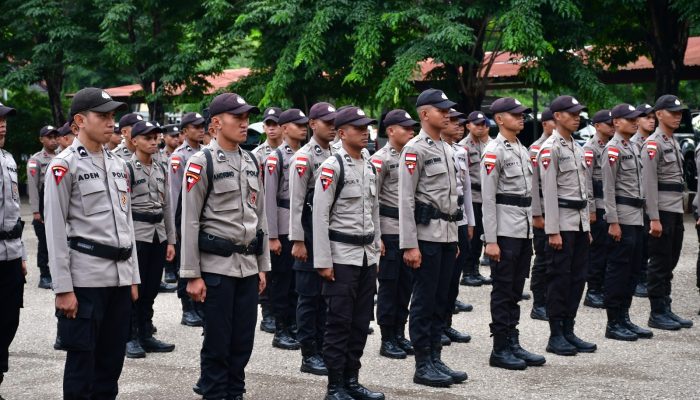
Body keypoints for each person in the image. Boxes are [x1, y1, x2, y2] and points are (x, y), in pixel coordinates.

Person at [45, 87, 139, 399]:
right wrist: (63, 288)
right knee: (82, 365)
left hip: (119, 280)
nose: (111, 122)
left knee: (111, 365)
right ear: (79, 122)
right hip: (85, 280)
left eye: (113, 115)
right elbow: (56, 231)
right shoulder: (64, 165)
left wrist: (133, 277)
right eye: (103, 116)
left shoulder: (118, 164)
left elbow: (127, 224)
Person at [180, 92, 269, 400]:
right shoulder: (201, 161)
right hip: (216, 267)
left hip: (247, 267)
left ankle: (235, 393)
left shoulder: (251, 160)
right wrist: (192, 274)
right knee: (218, 342)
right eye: (238, 118)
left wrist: (263, 265)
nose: (245, 124)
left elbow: (260, 218)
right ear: (216, 123)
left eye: (246, 118)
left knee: (242, 342)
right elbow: (190, 220)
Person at [313, 105, 384, 400]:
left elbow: (374, 209)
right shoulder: (332, 167)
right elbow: (320, 216)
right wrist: (323, 261)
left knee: (360, 322)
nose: (365, 131)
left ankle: (352, 380)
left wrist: (378, 246)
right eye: (358, 127)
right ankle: (335, 385)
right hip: (341, 257)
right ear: (342, 133)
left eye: (366, 126)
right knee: (339, 323)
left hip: (366, 255)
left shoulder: (368, 163)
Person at [399, 89, 466, 387]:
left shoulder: (448, 149)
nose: (448, 114)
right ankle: (422, 362)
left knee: (442, 299)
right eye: (442, 110)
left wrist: (454, 241)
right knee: (424, 301)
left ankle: (436, 358)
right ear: (425, 114)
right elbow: (406, 201)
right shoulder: (415, 150)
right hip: (425, 238)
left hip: (448, 235)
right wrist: (410, 245)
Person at [481, 97, 545, 370]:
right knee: (503, 288)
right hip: (505, 230)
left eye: (522, 114)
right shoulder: (494, 151)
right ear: (499, 119)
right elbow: (488, 199)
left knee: (516, 289)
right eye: (515, 114)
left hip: (522, 228)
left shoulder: (521, 148)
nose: (521, 118)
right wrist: (491, 240)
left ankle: (512, 340)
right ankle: (500, 347)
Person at [539, 95, 596, 356]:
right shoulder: (550, 148)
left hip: (579, 223)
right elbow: (548, 193)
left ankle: (569, 329)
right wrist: (552, 230)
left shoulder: (576, 146)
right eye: (571, 113)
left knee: (577, 278)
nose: (577, 117)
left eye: (578, 114)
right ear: (558, 116)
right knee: (559, 279)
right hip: (561, 223)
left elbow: (584, 189)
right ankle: (556, 334)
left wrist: (588, 225)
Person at [288, 102, 337, 376]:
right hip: (308, 233)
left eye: (334, 122)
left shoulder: (337, 153)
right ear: (312, 124)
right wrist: (298, 240)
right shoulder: (304, 157)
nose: (332, 126)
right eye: (326, 122)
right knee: (309, 297)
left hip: (330, 234)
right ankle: (309, 354)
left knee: (326, 297)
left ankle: (322, 347)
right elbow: (296, 202)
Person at [124, 121, 177, 358]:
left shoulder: (161, 168)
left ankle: (146, 333)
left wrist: (171, 240)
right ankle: (130, 336)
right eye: (147, 138)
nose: (154, 141)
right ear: (134, 141)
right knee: (136, 287)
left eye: (156, 137)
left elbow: (167, 206)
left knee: (152, 287)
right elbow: (122, 209)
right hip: (138, 233)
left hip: (158, 234)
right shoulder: (127, 168)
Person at [601, 104, 654, 341]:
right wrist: (613, 221)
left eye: (637, 119)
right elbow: (608, 188)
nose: (636, 122)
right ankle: (613, 322)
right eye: (630, 119)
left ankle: (625, 317)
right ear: (616, 123)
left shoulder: (633, 146)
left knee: (633, 270)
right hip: (622, 216)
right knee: (619, 270)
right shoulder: (612, 150)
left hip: (636, 216)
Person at [641, 94, 693, 330]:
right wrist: (654, 217)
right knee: (659, 262)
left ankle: (666, 307)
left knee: (670, 261)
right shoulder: (654, 143)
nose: (678, 116)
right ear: (659, 114)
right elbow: (649, 183)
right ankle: (657, 312)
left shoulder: (672, 141)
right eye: (673, 112)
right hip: (661, 210)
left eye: (680, 112)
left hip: (674, 209)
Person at [371, 109, 417, 359]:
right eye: (406, 127)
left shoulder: (412, 156)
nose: (411, 131)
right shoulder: (380, 159)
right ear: (390, 131)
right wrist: (377, 235)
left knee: (405, 285)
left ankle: (400, 332)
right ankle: (387, 337)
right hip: (388, 230)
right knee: (389, 286)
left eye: (413, 127)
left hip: (408, 231)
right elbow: (372, 200)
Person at [265, 109, 307, 351]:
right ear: (283, 128)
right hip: (282, 225)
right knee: (282, 281)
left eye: (304, 124)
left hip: (300, 223)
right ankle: (281, 329)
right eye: (297, 124)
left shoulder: (305, 155)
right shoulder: (276, 158)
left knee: (297, 281)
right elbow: (269, 198)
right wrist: (272, 235)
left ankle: (293, 325)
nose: (302, 128)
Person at [169, 111, 206, 328]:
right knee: (186, 261)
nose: (201, 129)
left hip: (202, 217)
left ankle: (199, 306)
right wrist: (176, 226)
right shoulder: (179, 157)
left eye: (202, 126)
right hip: (184, 215)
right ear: (184, 131)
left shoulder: (205, 153)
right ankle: (187, 308)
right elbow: (175, 194)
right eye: (195, 126)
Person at [0, 101, 27, 393]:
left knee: (9, 320)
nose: (3, 123)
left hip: (9, 254)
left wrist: (21, 253)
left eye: (5, 118)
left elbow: (14, 211)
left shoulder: (7, 159)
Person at [441, 109, 474, 345]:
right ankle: (436, 326)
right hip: (441, 221)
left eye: (459, 121)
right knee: (440, 278)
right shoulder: (427, 150)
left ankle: (446, 323)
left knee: (454, 278)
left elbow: (467, 190)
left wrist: (470, 221)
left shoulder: (460, 151)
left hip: (460, 219)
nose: (458, 125)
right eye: (452, 121)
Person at [253, 106, 283, 334]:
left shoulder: (291, 153)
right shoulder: (256, 155)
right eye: (268, 124)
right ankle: (268, 312)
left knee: (282, 269)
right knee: (266, 266)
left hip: (280, 216)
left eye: (275, 124)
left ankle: (281, 312)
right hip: (258, 214)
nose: (271, 129)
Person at [582, 110, 614, 309]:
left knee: (608, 250)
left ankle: (601, 286)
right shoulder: (590, 148)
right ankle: (593, 290)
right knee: (598, 250)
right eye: (608, 123)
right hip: (598, 206)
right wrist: (591, 209)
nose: (612, 126)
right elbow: (586, 182)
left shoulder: (611, 147)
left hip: (609, 205)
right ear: (597, 125)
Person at [458, 111, 492, 286]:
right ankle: (468, 271)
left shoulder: (488, 144)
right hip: (473, 196)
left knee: (480, 235)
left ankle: (476, 270)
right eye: (476, 124)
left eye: (483, 124)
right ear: (468, 125)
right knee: (472, 234)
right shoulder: (463, 146)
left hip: (485, 195)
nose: (480, 127)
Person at [529, 108, 554, 321]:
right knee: (543, 258)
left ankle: (550, 299)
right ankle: (539, 303)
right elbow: (532, 186)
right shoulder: (536, 149)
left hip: (558, 212)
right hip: (543, 213)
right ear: (546, 123)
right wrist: (537, 214)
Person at [27, 125, 59, 289]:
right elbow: (32, 187)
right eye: (49, 137)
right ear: (42, 139)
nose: (53, 140)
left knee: (60, 243)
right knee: (45, 244)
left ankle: (57, 274)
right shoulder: (36, 160)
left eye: (55, 137)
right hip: (43, 207)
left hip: (58, 206)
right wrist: (35, 211)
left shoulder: (63, 156)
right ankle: (44, 275)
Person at [631, 103, 655, 298]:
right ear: (637, 120)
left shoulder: (654, 141)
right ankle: (639, 278)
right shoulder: (633, 143)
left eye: (653, 116)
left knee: (649, 243)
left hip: (650, 200)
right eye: (646, 117)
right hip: (638, 201)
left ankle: (644, 275)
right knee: (641, 242)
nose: (651, 120)